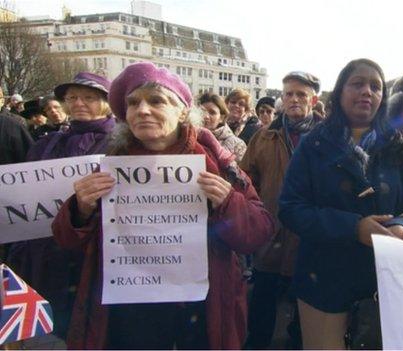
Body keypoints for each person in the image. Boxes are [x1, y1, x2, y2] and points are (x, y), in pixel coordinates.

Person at [51, 62, 273, 349]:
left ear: (182, 111)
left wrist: (228, 202)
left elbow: (259, 232)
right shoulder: (111, 164)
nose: (142, 110)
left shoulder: (218, 163)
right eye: (133, 103)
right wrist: (80, 210)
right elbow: (65, 240)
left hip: (201, 311)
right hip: (129, 314)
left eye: (156, 101)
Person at [278, 59, 403, 349]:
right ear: (339, 92)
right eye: (357, 84)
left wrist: (402, 225)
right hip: (323, 277)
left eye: (375, 86)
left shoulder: (402, 147)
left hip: (385, 280)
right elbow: (290, 208)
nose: (367, 92)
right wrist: (353, 228)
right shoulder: (313, 145)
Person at [6, 72, 115, 341]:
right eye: (72, 97)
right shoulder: (48, 142)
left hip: (97, 255)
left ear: (107, 102)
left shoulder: (123, 145)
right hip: (49, 252)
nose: (79, 103)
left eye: (89, 97)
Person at [240, 71, 323, 349]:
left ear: (314, 98)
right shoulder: (264, 137)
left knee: (306, 302)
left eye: (301, 94)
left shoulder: (331, 137)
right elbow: (245, 180)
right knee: (263, 296)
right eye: (289, 94)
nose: (294, 99)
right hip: (271, 232)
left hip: (312, 235)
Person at [199, 92, 246, 162]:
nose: (206, 116)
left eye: (212, 113)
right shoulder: (187, 138)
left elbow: (242, 171)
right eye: (202, 111)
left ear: (221, 118)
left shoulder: (238, 145)